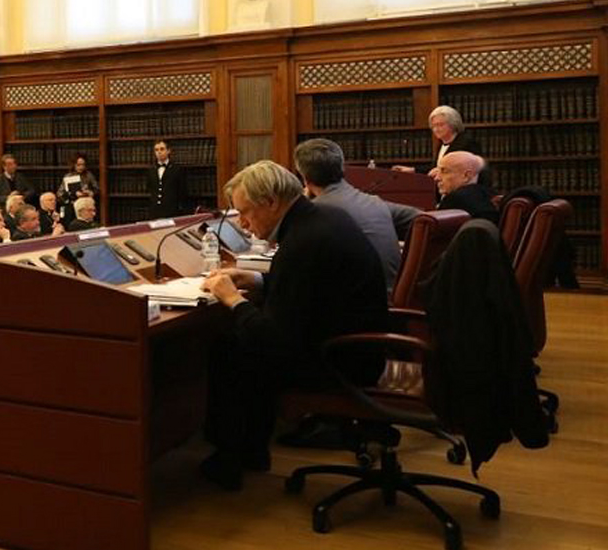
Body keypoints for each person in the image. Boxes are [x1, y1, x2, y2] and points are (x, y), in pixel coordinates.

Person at [198, 161, 389, 491]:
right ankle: (252, 451)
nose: (243, 223)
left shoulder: (302, 240)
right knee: (240, 345)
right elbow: (312, 289)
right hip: (360, 348)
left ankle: (230, 459)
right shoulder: (322, 219)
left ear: (271, 202)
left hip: (341, 363)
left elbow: (275, 340)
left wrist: (233, 300)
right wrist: (259, 280)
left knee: (230, 349)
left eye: (246, 212)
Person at [294, 139, 419, 291]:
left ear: (305, 178)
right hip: (392, 297)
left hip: (358, 305)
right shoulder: (374, 202)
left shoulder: (315, 212)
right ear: (342, 168)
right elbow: (423, 219)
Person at [435, 151, 499, 224]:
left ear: (466, 176)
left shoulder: (455, 199)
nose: (437, 178)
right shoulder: (491, 194)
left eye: (444, 171)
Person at [149, 140, 187, 219]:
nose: (159, 152)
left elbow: (182, 191)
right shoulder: (151, 170)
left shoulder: (177, 169)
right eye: (156, 150)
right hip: (155, 212)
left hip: (172, 211)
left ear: (168, 151)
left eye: (162, 149)